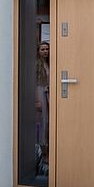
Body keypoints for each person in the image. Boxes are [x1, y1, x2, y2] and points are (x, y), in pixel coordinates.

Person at [35, 40, 51, 175]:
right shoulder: (36, 65)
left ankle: (47, 153)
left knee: (49, 123)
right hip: (40, 94)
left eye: (47, 49)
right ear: (38, 51)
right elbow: (33, 84)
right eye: (43, 49)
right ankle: (43, 154)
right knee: (42, 124)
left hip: (48, 94)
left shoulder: (50, 63)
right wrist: (37, 100)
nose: (45, 51)